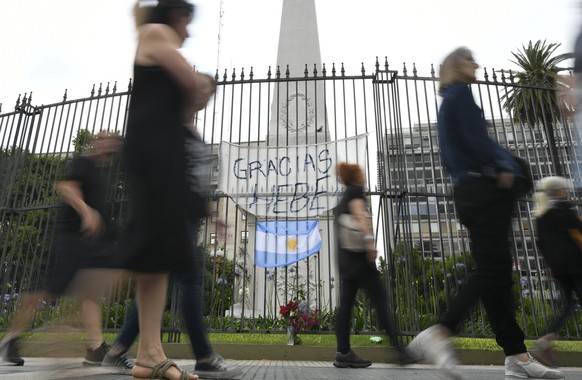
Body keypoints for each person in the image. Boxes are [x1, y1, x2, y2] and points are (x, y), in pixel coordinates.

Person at [402, 47, 565, 380]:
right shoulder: (461, 94)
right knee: (494, 271)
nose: (476, 64)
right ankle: (441, 331)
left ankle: (516, 355)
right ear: (456, 66)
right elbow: (479, 141)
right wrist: (501, 168)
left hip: (467, 193)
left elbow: (456, 153)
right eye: (469, 59)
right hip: (483, 190)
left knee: (497, 276)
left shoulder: (448, 102)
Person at [119, 1, 216, 379]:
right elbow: (192, 84)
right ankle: (74, 316)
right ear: (176, 16)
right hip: (152, 153)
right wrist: (193, 79)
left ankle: (148, 355)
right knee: (146, 250)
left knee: (156, 259)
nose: (188, 33)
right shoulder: (156, 33)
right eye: (187, 24)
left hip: (161, 154)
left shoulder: (152, 36)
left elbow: (185, 96)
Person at [103, 128, 242, 379]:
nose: (209, 93)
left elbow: (193, 183)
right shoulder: (171, 126)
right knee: (186, 279)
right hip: (174, 218)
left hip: (186, 219)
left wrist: (210, 214)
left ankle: (117, 350)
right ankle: (203, 356)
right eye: (206, 86)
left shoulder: (190, 134)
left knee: (155, 282)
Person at [0, 131, 122, 367]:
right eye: (104, 138)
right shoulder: (82, 162)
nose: (109, 142)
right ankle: (12, 338)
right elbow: (65, 187)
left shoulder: (102, 173)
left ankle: (95, 347)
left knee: (92, 292)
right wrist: (86, 212)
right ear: (95, 142)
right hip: (72, 238)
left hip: (92, 243)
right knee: (49, 291)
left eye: (112, 140)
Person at [333, 162, 400, 368]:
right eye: (361, 173)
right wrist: (370, 242)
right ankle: (400, 350)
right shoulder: (355, 193)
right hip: (360, 260)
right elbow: (360, 216)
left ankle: (343, 351)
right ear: (356, 176)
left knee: (345, 307)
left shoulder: (342, 198)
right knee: (380, 300)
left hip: (346, 262)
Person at [532, 176, 582, 367]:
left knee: (567, 305)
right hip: (576, 264)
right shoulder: (564, 208)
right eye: (563, 188)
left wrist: (551, 267)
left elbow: (541, 244)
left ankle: (545, 340)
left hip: (559, 268)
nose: (566, 191)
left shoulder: (541, 214)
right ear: (558, 191)